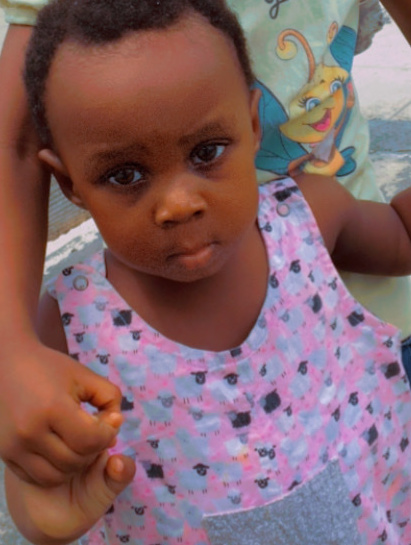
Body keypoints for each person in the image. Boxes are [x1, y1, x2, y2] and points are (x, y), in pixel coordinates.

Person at [5, 0, 411, 543]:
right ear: (69, 183)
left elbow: (401, 238)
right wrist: (46, 516)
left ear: (252, 125)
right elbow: (40, 493)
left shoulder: (310, 217)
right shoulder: (68, 327)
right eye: (125, 175)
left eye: (207, 151)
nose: (178, 203)